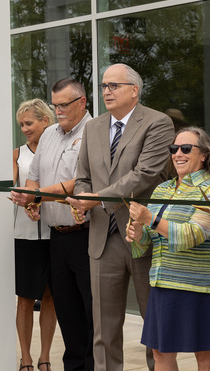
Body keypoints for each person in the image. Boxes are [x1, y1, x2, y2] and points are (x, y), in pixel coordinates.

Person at [68, 63, 174, 371]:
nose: (106, 91)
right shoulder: (93, 127)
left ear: (134, 90)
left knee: (154, 325)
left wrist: (96, 199)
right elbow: (83, 177)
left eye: (114, 85)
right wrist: (82, 199)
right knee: (104, 329)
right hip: (102, 237)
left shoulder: (157, 122)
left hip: (144, 236)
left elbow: (145, 174)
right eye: (103, 86)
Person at [127, 127, 210, 371]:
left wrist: (151, 220)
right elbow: (149, 237)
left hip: (199, 284)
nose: (178, 153)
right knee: (159, 353)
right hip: (162, 282)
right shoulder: (163, 189)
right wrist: (138, 234)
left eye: (186, 148)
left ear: (204, 155)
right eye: (174, 149)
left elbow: (193, 234)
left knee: (205, 356)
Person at [11, 78, 93, 371]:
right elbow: (33, 175)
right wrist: (32, 199)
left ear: (81, 103)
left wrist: (40, 194)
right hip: (55, 236)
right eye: (55, 104)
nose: (58, 110)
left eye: (63, 105)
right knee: (67, 310)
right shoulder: (48, 136)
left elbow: (85, 181)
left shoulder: (94, 132)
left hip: (86, 235)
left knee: (89, 312)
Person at [12, 99, 57, 371]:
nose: (25, 128)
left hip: (55, 234)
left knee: (51, 296)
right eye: (21, 124)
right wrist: (26, 202)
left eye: (29, 123)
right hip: (24, 235)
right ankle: (26, 357)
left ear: (45, 121)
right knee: (26, 298)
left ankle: (45, 356)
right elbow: (11, 191)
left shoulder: (58, 150)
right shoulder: (16, 154)